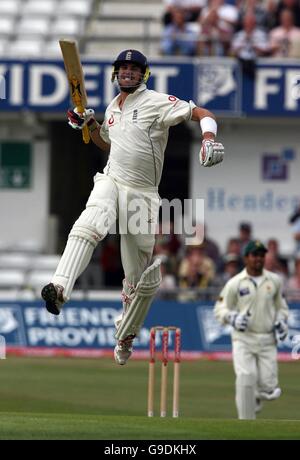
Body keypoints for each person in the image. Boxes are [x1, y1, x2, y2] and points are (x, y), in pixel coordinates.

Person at [41, 49, 225, 365]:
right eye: (122, 68)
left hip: (142, 196)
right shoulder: (114, 107)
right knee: (91, 222)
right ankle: (59, 287)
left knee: (135, 279)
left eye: (133, 68)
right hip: (112, 180)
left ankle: (125, 333)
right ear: (116, 73)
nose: (127, 72)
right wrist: (88, 123)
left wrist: (208, 138)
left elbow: (203, 113)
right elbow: (105, 142)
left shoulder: (155, 102)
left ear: (143, 74)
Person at [214, 240, 289, 419]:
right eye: (255, 255)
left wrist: (281, 321)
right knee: (245, 377)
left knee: (269, 388)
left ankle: (256, 394)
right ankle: (246, 424)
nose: (259, 259)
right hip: (243, 338)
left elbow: (282, 308)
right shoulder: (235, 283)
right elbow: (219, 309)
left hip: (267, 339)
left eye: (262, 255)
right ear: (246, 258)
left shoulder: (274, 281)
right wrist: (233, 318)